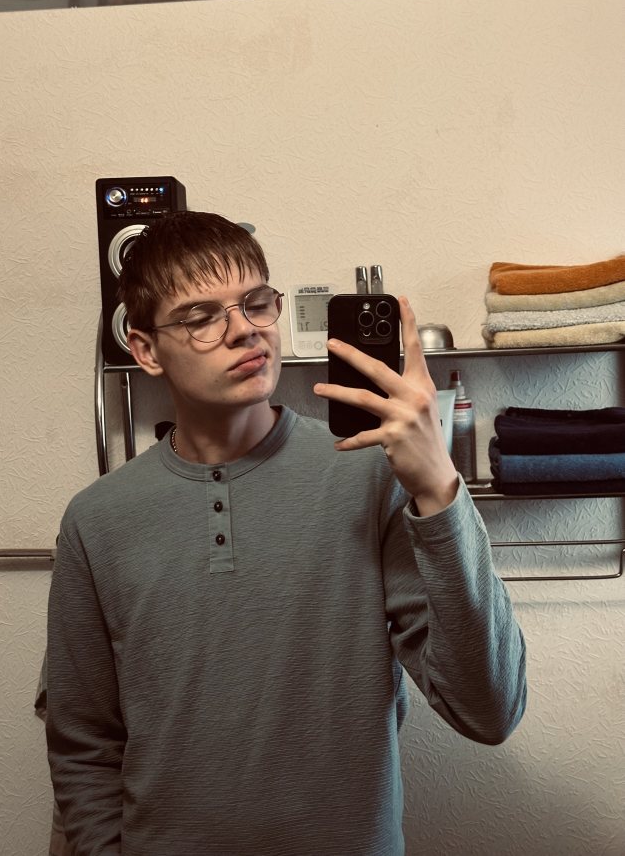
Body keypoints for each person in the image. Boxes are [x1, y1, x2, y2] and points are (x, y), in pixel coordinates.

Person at [46, 211, 526, 856]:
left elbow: (490, 711)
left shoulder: (369, 474)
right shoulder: (96, 519)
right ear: (146, 350)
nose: (245, 328)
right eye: (201, 317)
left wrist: (439, 488)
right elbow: (82, 744)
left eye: (255, 303)